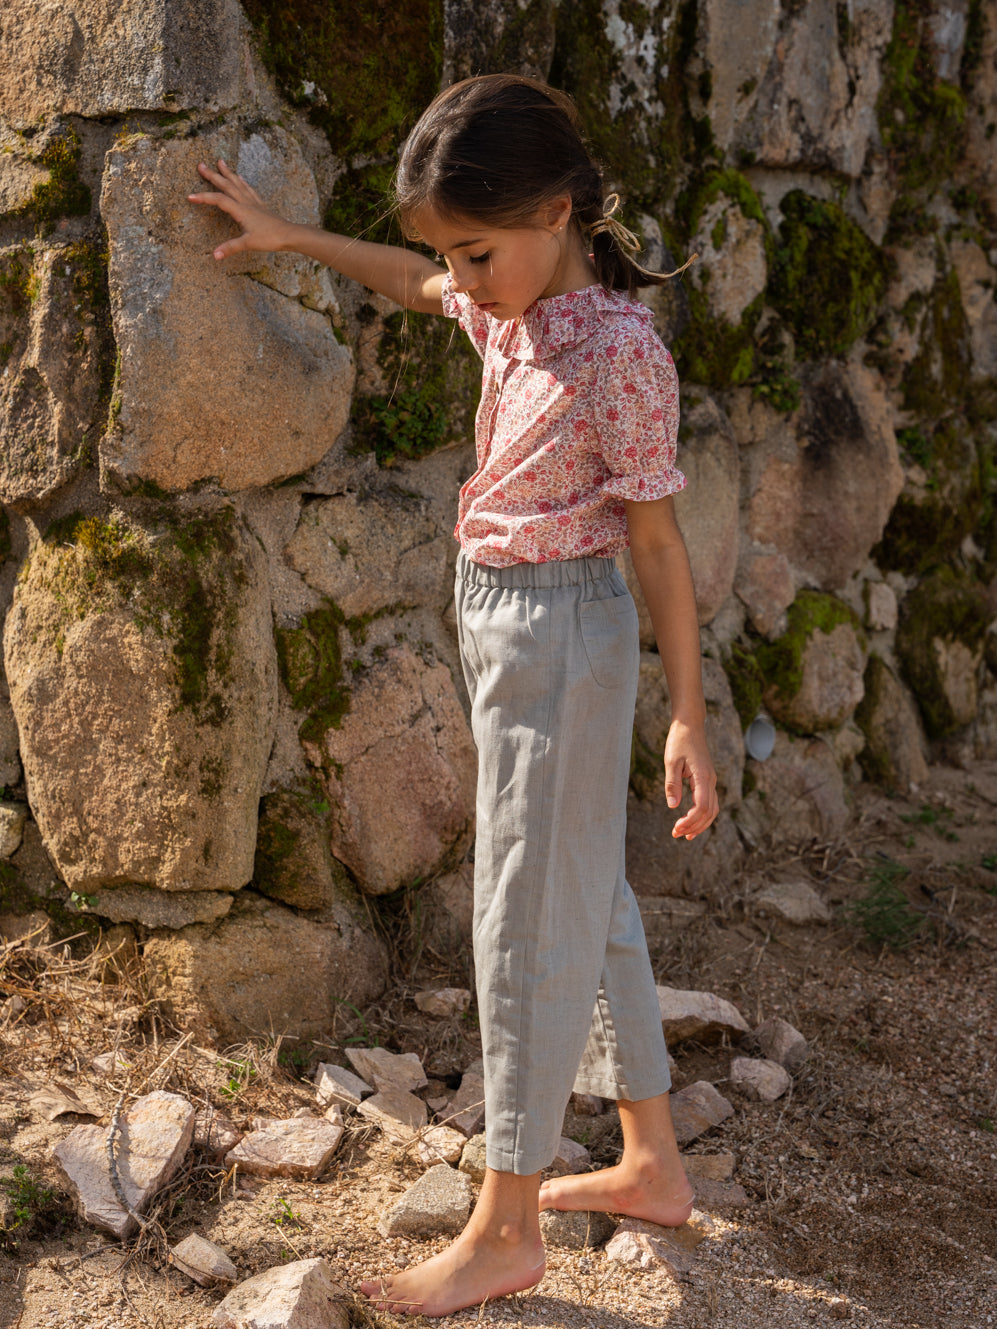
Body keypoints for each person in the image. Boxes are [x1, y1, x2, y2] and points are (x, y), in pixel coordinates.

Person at [190, 72, 719, 1319]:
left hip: (564, 635)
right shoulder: (509, 304)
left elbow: (655, 545)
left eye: (477, 253)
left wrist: (688, 709)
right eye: (455, 258)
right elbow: (407, 279)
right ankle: (649, 1161)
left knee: (522, 912)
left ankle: (504, 1224)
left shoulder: (619, 355)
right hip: (502, 625)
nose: (461, 283)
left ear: (556, 210)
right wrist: (290, 238)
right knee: (575, 889)